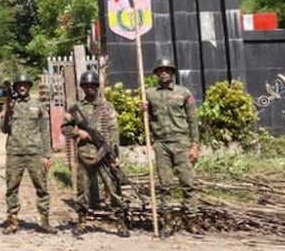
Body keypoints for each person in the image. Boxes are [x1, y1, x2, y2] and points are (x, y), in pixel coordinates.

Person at [61, 70, 129, 237]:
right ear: (83, 87)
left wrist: (115, 156)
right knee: (82, 190)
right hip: (85, 154)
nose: (90, 88)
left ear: (97, 87)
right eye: (87, 85)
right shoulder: (76, 108)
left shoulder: (107, 107)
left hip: (104, 154)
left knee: (113, 189)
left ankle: (121, 223)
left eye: (93, 85)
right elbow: (65, 127)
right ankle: (82, 222)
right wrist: (79, 133)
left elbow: (113, 132)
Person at [140, 57, 200, 238]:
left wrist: (195, 145)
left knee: (188, 183)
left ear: (172, 73)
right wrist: (142, 110)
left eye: (167, 69)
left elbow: (192, 120)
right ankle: (167, 222)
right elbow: (145, 122)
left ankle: (191, 220)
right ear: (157, 73)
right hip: (162, 145)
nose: (164, 72)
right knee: (165, 185)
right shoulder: (149, 94)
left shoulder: (183, 92)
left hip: (181, 143)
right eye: (161, 70)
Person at [0, 71, 55, 234]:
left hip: (35, 153)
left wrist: (47, 155)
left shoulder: (38, 105)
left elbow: (45, 131)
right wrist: (8, 110)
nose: (22, 87)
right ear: (15, 87)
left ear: (29, 87)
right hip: (14, 153)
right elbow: (3, 129)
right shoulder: (9, 105)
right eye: (19, 85)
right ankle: (13, 221)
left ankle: (45, 222)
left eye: (25, 85)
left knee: (42, 188)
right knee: (11, 188)